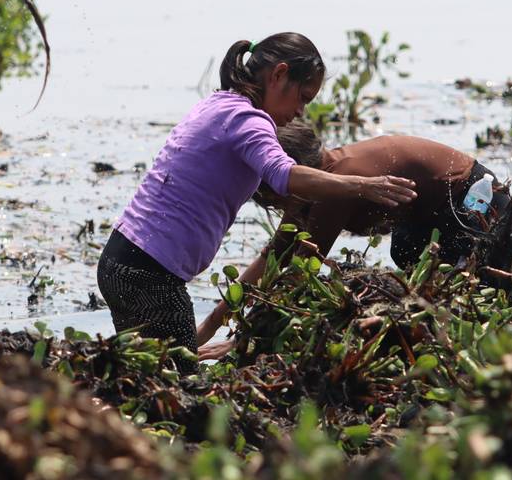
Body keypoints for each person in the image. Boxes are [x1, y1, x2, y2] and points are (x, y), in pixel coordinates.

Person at [97, 34, 419, 373]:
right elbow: (284, 174)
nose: (300, 112)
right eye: (302, 97)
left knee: (144, 377)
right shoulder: (248, 120)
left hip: (120, 261)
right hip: (151, 276)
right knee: (182, 382)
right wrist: (361, 185)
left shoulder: (218, 103)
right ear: (279, 74)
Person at [196, 120, 512, 356]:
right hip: (430, 218)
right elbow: (274, 255)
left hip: (478, 202)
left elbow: (299, 274)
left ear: (294, 176)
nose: (280, 209)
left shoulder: (335, 186)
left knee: (472, 301)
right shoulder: (314, 184)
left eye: (277, 200)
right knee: (408, 257)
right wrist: (207, 328)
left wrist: (244, 341)